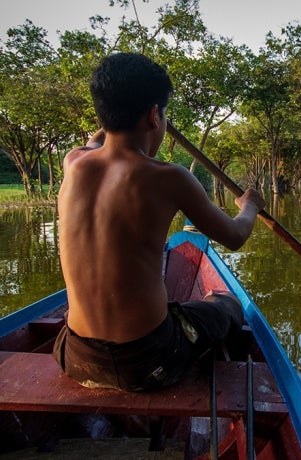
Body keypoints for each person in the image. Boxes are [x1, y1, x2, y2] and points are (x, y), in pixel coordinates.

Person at [53, 52, 265, 392]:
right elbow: (236, 236)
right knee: (226, 305)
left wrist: (115, 112)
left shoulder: (74, 162)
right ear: (154, 115)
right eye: (162, 114)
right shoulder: (169, 178)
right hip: (148, 361)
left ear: (104, 113)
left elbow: (97, 140)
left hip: (75, 357)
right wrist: (249, 205)